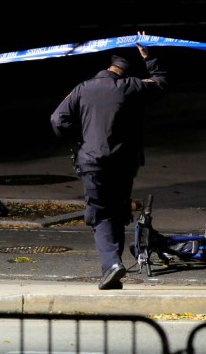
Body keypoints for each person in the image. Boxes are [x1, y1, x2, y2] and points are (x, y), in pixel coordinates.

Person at [50, 32, 168, 290]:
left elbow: (57, 120)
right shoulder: (131, 87)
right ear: (123, 73)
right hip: (125, 164)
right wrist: (149, 57)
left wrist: (82, 136)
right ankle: (113, 267)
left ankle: (111, 264)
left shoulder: (83, 88)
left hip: (93, 163)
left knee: (100, 214)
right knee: (117, 211)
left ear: (106, 69)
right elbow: (160, 83)